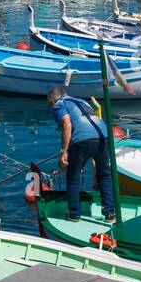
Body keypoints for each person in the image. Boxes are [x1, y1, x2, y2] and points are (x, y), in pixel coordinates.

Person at [46, 84, 116, 222]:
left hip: (83, 139)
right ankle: (110, 213)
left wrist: (64, 151)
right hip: (104, 137)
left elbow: (67, 125)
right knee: (104, 174)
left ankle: (74, 214)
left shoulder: (59, 105)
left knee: (73, 175)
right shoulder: (81, 101)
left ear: (52, 100)